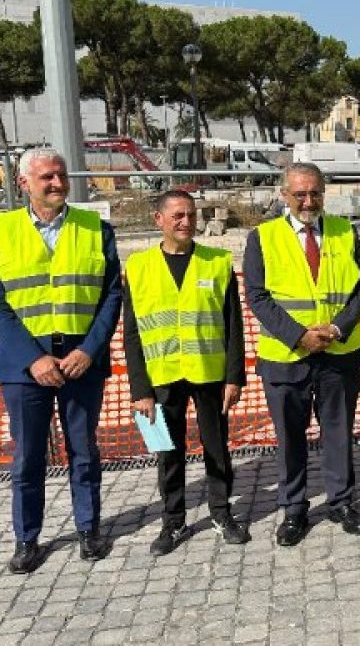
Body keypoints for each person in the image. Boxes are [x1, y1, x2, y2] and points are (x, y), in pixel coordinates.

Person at [0, 148, 122, 573]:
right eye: (46, 177)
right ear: (23, 184)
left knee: (84, 450)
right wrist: (32, 360)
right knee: (28, 456)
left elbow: (111, 296)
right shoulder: (3, 231)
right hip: (25, 366)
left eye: (61, 175)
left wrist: (88, 350)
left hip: (80, 361)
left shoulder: (96, 229)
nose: (57, 183)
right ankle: (27, 539)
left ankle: (89, 529)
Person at [243, 162, 360, 546]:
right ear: (285, 195)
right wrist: (299, 337)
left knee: (338, 432)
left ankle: (341, 502)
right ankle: (294, 509)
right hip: (286, 357)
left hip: (339, 351)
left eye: (315, 192)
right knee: (290, 438)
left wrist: (336, 329)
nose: (308, 201)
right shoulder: (262, 237)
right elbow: (257, 296)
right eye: (300, 194)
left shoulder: (345, 231)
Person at [123, 190, 250, 556]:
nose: (186, 222)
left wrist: (234, 377)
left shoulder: (217, 262)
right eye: (178, 215)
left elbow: (233, 325)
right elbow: (132, 332)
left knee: (216, 447)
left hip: (208, 374)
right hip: (161, 376)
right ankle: (173, 520)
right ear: (158, 219)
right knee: (168, 452)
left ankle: (221, 513)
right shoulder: (139, 267)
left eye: (191, 215)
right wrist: (140, 390)